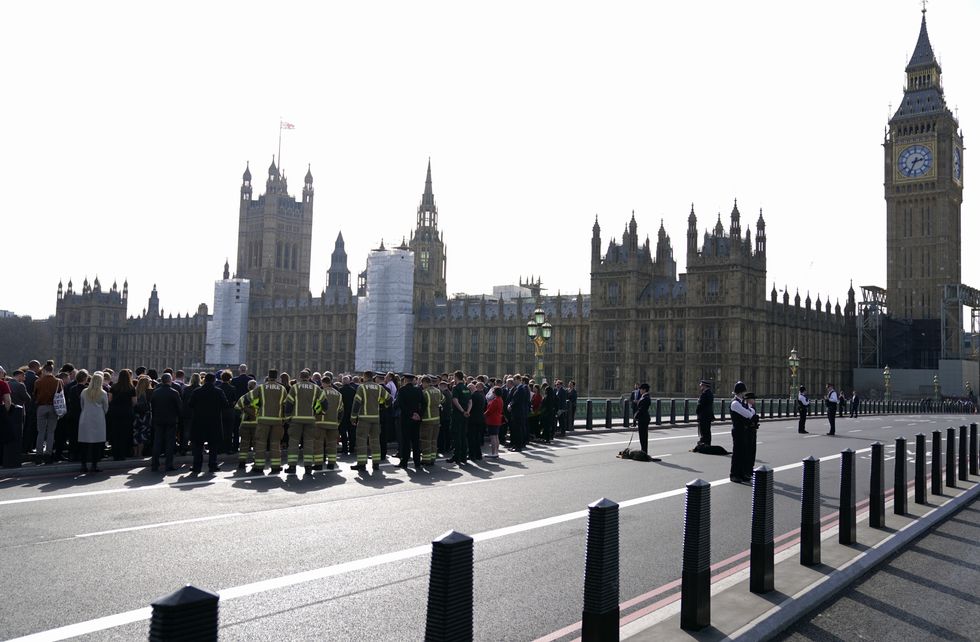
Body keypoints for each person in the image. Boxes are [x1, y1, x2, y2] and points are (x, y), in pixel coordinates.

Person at [247, 370, 287, 475]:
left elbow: (249, 398)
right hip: (277, 420)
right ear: (277, 377)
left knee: (261, 443)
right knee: (275, 444)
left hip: (263, 419)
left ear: (268, 377)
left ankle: (259, 467)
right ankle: (275, 466)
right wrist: (284, 419)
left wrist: (256, 407)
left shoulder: (261, 387)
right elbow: (286, 405)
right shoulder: (282, 389)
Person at [350, 370, 391, 472]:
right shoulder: (379, 387)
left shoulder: (362, 387)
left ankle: (362, 464)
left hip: (364, 418)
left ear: (364, 377)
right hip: (376, 418)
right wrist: (383, 406)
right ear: (372, 377)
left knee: (361, 441)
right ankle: (376, 464)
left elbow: (356, 403)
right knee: (375, 441)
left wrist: (353, 417)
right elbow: (389, 399)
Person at [284, 370, 324, 474]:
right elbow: (324, 403)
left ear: (300, 377)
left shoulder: (295, 387)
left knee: (293, 443)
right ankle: (308, 467)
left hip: (296, 419)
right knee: (309, 443)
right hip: (310, 419)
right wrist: (319, 412)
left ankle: (292, 467)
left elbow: (289, 403)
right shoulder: (316, 388)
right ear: (309, 377)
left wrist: (288, 417)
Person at [188, 373, 228, 474]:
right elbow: (225, 404)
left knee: (198, 445)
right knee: (213, 445)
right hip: (214, 422)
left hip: (199, 422)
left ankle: (197, 467)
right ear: (214, 381)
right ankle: (212, 465)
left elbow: (190, 404)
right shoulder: (219, 391)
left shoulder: (197, 391)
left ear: (204, 380)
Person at [150, 373, 182, 472]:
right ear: (170, 380)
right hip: (171, 421)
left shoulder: (155, 392)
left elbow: (153, 407)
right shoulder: (174, 392)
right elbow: (179, 408)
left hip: (158, 420)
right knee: (170, 443)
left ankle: (154, 465)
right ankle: (168, 465)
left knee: (157, 442)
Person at [78, 371, 108, 473]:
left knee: (84, 443)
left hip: (85, 418)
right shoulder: (103, 393)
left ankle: (83, 465)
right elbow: (106, 408)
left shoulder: (84, 392)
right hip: (98, 419)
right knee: (96, 444)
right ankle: (94, 465)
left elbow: (81, 405)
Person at [33, 360, 62, 464]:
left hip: (41, 407)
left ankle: (38, 455)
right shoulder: (58, 381)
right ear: (52, 370)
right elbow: (60, 395)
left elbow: (35, 395)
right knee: (51, 432)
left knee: (40, 432)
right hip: (53, 407)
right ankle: (48, 455)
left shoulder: (38, 381)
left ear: (44, 370)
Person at [729, 381, 757, 484]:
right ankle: (734, 474)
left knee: (744, 452)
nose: (745, 394)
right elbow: (748, 414)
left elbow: (751, 410)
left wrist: (751, 412)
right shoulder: (735, 403)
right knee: (737, 453)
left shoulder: (742, 402)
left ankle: (742, 473)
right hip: (738, 430)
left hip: (743, 430)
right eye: (744, 392)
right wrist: (751, 414)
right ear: (740, 392)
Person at [315, 373, 344, 470]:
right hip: (333, 423)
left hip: (321, 422)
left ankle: (318, 464)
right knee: (332, 444)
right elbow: (341, 410)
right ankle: (331, 463)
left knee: (318, 444)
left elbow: (317, 407)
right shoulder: (338, 395)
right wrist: (338, 422)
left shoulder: (321, 392)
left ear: (323, 383)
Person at [107, 369, 136, 461]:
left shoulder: (113, 387)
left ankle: (115, 453)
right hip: (126, 413)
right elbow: (134, 402)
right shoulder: (131, 388)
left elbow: (110, 400)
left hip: (115, 413)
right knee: (124, 434)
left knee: (116, 433)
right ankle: (122, 454)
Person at [396, 374, 423, 470]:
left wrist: (411, 414)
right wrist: (418, 414)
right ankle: (417, 462)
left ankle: (404, 462)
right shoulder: (418, 390)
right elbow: (423, 403)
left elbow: (401, 405)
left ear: (406, 380)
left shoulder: (402, 390)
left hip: (406, 418)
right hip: (417, 419)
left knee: (406, 441)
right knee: (416, 441)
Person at [234, 380, 258, 471]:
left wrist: (242, 414)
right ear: (255, 387)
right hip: (256, 424)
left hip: (245, 423)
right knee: (256, 444)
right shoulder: (259, 398)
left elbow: (236, 408)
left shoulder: (244, 397)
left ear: (248, 387)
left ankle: (242, 463)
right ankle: (256, 461)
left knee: (244, 444)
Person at [448, 371, 472, 465]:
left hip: (458, 415)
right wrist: (467, 412)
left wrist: (462, 411)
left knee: (457, 436)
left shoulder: (456, 388)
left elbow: (455, 400)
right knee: (463, 436)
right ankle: (463, 457)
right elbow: (470, 401)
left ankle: (456, 457)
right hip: (465, 416)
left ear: (456, 377)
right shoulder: (467, 388)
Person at [419, 376, 443, 466]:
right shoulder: (438, 391)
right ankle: (433, 458)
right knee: (434, 440)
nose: (422, 385)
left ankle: (426, 460)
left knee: (426, 440)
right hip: (436, 419)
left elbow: (421, 405)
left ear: (425, 382)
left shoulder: (424, 392)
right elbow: (443, 400)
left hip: (427, 419)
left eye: (422, 383)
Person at [179, 372, 200, 456]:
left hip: (187, 413)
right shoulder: (200, 389)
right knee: (197, 432)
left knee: (186, 432)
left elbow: (183, 401)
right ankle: (195, 448)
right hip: (197, 414)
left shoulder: (186, 389)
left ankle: (183, 449)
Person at [507, 376, 530, 451]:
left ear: (518, 380)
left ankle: (518, 446)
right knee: (516, 429)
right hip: (516, 412)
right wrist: (510, 404)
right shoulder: (518, 388)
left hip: (518, 412)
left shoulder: (521, 389)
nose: (514, 381)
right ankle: (516, 445)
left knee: (518, 430)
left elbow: (517, 400)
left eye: (514, 380)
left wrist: (511, 405)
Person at [133, 375, 153, 457]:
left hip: (136, 415)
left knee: (135, 433)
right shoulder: (149, 392)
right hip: (146, 415)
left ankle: (135, 452)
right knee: (143, 433)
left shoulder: (135, 391)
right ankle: (140, 453)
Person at [633, 382, 654, 455]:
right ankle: (643, 450)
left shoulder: (646, 398)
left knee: (643, 436)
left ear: (644, 390)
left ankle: (644, 452)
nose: (640, 391)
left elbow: (642, 409)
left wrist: (636, 416)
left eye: (641, 389)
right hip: (643, 418)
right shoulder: (644, 397)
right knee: (642, 436)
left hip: (643, 418)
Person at [484, 386, 505, 458]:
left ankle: (493, 452)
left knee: (493, 437)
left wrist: (483, 415)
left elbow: (490, 410)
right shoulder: (500, 399)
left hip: (492, 419)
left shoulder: (496, 400)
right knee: (496, 436)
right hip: (497, 419)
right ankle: (496, 452)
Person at [467, 381, 486, 460]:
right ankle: (479, 455)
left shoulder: (473, 396)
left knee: (472, 438)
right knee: (477, 437)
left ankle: (472, 455)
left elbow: (470, 407)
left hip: (473, 419)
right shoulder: (481, 395)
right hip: (480, 419)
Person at [695, 379, 714, 449]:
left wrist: (697, 412)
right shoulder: (710, 394)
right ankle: (707, 444)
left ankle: (704, 445)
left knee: (703, 431)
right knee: (707, 431)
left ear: (704, 386)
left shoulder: (704, 394)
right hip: (708, 416)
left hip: (703, 416)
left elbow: (700, 405)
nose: (700, 386)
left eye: (701, 385)